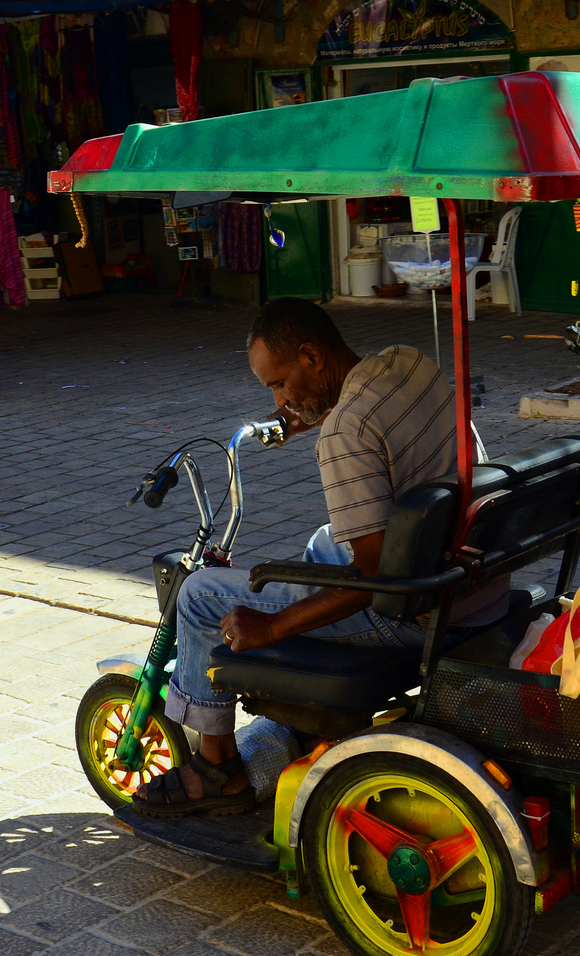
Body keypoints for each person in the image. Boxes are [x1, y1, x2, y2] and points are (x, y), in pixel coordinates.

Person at [133, 299, 508, 816]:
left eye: (279, 382)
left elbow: (374, 579)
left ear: (312, 356)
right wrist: (312, 413)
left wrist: (273, 627)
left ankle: (217, 768)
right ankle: (308, 707)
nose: (279, 397)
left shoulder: (343, 435)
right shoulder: (407, 362)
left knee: (199, 595)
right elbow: (374, 423)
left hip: (422, 610)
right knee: (324, 541)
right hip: (474, 577)